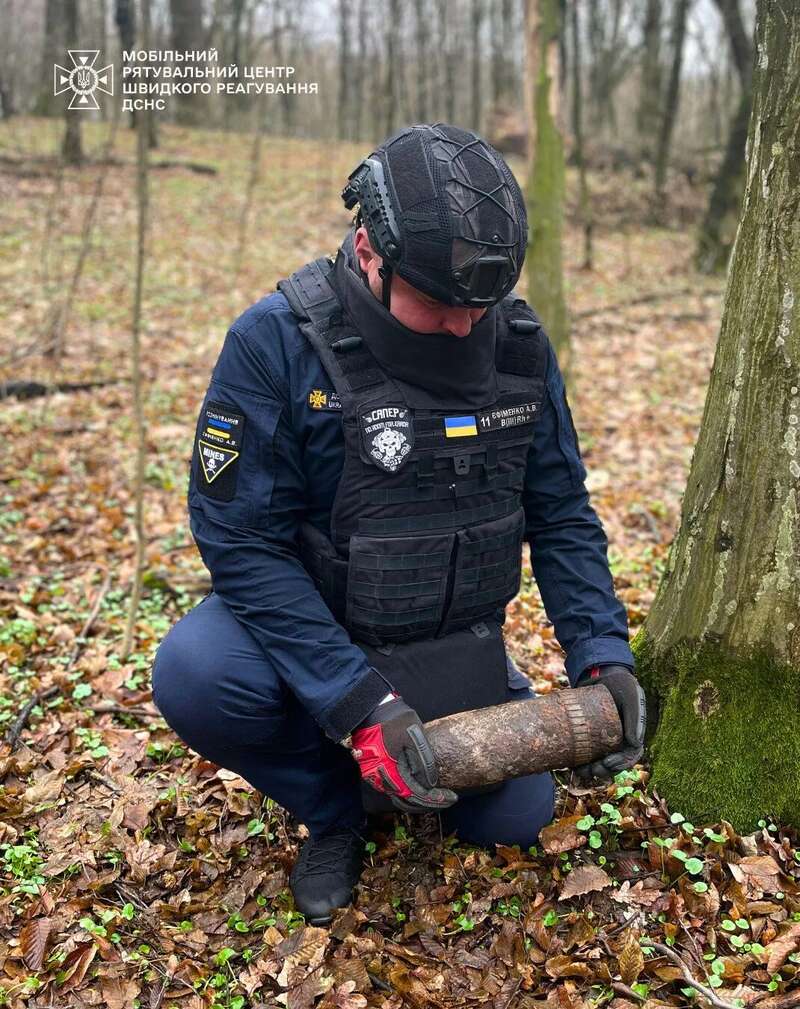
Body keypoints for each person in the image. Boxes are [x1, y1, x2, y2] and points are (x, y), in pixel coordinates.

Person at [151, 123, 646, 925]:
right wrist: (356, 703)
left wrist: (600, 654)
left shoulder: (516, 347)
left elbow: (560, 511)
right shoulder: (276, 344)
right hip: (324, 648)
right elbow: (238, 540)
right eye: (443, 304)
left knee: (515, 818)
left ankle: (398, 778)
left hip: (455, 644)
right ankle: (333, 811)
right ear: (369, 252)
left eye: (480, 304)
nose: (465, 325)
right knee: (197, 672)